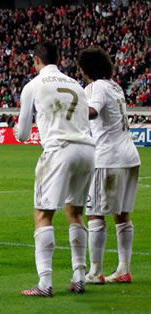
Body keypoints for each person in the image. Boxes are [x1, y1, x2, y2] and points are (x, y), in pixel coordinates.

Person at [16, 41, 95, 296]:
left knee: (43, 214)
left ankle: (45, 283)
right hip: (86, 150)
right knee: (75, 212)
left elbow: (24, 133)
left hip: (59, 149)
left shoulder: (33, 85)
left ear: (36, 60)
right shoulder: (77, 85)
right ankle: (80, 275)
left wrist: (18, 131)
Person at [78, 47, 141, 284]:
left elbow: (93, 112)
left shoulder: (97, 87)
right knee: (122, 215)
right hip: (130, 156)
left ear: (86, 69)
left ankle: (95, 271)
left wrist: (69, 108)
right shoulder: (115, 87)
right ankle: (123, 269)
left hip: (108, 158)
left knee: (95, 213)